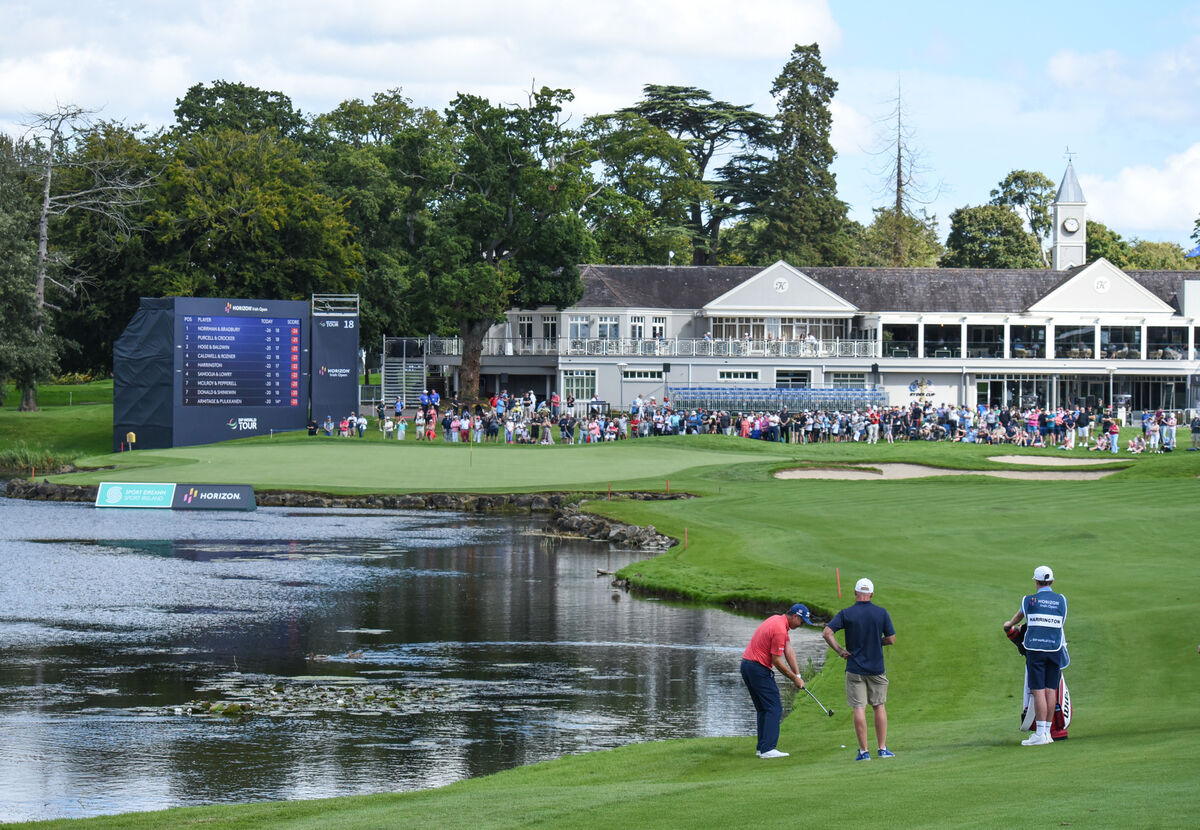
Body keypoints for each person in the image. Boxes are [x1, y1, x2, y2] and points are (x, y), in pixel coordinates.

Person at [822, 578, 896, 761]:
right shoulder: (881, 613)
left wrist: (839, 650)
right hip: (876, 668)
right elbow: (891, 639)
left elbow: (827, 633)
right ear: (871, 594)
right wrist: (876, 641)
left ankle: (864, 752)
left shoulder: (846, 613)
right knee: (878, 706)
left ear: (855, 593)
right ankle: (882, 748)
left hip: (854, 668)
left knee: (859, 708)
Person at [1003, 565, 1068, 746]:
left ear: (1036, 581)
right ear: (1052, 581)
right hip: (1055, 648)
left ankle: (1040, 733)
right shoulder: (1062, 600)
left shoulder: (1029, 600)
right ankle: (1047, 732)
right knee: (1050, 689)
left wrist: (1008, 624)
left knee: (1038, 690)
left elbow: (1016, 619)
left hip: (1036, 649)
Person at [740, 603, 812, 759]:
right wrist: (793, 678)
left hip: (747, 665)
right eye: (802, 621)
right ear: (795, 616)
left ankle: (762, 748)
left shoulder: (777, 620)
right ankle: (768, 749)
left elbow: (788, 649)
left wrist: (798, 675)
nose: (801, 625)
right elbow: (777, 661)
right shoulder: (780, 629)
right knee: (774, 707)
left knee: (764, 709)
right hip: (758, 669)